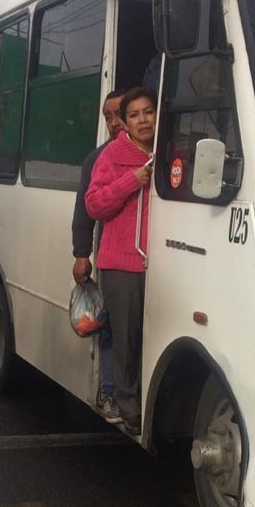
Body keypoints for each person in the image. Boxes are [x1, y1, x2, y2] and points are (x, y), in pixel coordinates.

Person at [84, 87, 157, 435]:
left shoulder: (170, 152)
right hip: (122, 266)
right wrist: (132, 181)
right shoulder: (113, 156)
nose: (143, 120)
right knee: (126, 341)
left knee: (153, 339)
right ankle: (130, 410)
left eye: (149, 112)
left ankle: (150, 404)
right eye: (135, 115)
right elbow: (94, 205)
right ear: (125, 123)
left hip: (162, 263)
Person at [72, 90, 124, 421]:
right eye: (108, 117)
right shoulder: (99, 158)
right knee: (110, 325)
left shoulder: (155, 155)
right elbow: (84, 211)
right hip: (110, 255)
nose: (114, 123)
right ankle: (109, 390)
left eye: (120, 114)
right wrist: (81, 254)